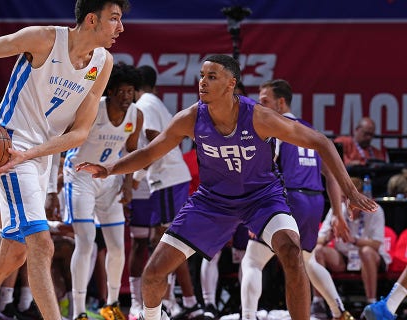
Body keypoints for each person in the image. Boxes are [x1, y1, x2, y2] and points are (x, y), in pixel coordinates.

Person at [76, 54, 378, 320]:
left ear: (231, 83)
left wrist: (350, 192)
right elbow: (150, 151)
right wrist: (110, 168)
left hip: (262, 198)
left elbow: (321, 141)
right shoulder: (192, 118)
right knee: (154, 273)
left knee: (291, 251)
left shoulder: (259, 117)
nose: (203, 82)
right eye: (201, 76)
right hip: (212, 202)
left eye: (212, 77)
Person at [0, 0, 129, 318]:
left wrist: (34, 154)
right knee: (42, 244)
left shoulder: (103, 62)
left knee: (11, 255)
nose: (121, 27)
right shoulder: (45, 39)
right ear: (91, 19)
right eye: (114, 19)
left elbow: (79, 134)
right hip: (9, 148)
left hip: (39, 155)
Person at [240, 79, 354, 320]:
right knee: (307, 261)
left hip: (288, 199)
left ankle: (247, 317)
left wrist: (257, 211)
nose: (261, 107)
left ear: (281, 102)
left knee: (252, 261)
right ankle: (340, 312)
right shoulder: (311, 131)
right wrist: (338, 215)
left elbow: (264, 171)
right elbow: (331, 176)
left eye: (265, 102)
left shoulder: (275, 129)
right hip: (314, 203)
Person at [61, 62, 142, 320]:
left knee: (118, 247)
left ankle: (112, 304)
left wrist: (129, 183)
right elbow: (62, 142)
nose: (126, 96)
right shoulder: (93, 108)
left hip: (109, 180)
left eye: (131, 91)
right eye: (121, 91)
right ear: (110, 90)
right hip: (80, 175)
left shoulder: (136, 116)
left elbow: (131, 152)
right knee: (85, 243)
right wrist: (53, 189)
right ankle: (79, 311)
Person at [133, 65, 197, 319]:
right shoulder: (156, 102)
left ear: (135, 88)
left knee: (168, 244)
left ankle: (180, 302)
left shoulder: (145, 105)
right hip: (169, 180)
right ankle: (179, 300)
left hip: (168, 180)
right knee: (165, 242)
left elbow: (153, 141)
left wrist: (136, 176)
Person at [314, 176, 391, 306]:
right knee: (318, 251)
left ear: (360, 196)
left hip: (371, 259)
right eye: (343, 198)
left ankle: (371, 303)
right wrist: (329, 236)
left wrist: (353, 240)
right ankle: (318, 303)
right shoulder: (337, 210)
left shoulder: (374, 209)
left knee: (366, 252)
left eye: (348, 198)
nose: (345, 202)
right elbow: (319, 240)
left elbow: (377, 244)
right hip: (344, 256)